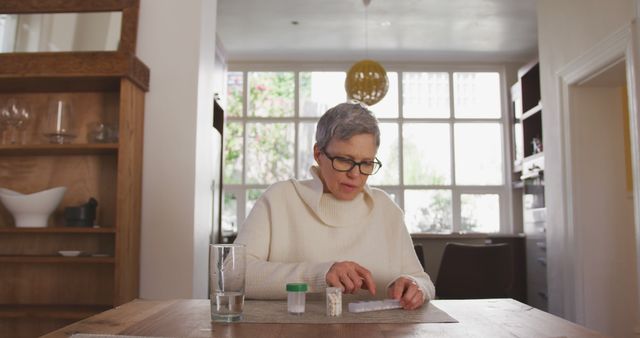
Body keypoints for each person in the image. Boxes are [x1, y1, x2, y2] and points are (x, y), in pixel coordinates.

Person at [234, 102, 435, 310]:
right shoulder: (279, 199)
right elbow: (234, 275)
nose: (355, 174)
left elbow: (424, 281)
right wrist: (320, 275)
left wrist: (416, 286)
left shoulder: (385, 208)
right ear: (318, 154)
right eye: (344, 160)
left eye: (366, 163)